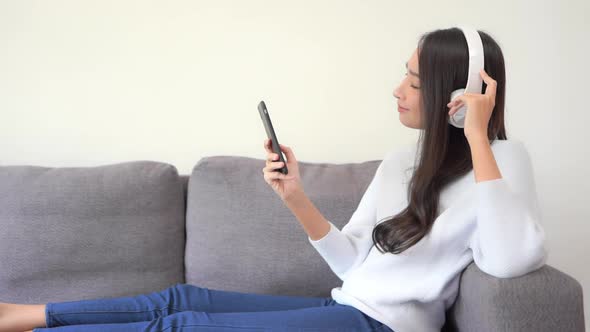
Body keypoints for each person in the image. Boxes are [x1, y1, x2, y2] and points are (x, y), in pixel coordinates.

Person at [0, 26, 547, 332]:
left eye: (414, 79)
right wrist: (295, 197)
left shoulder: (501, 160)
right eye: (403, 75)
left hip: (384, 329)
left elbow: (509, 259)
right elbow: (353, 262)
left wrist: (477, 137)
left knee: (182, 330)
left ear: (461, 89)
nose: (399, 89)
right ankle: (26, 313)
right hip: (348, 307)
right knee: (180, 298)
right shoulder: (402, 162)